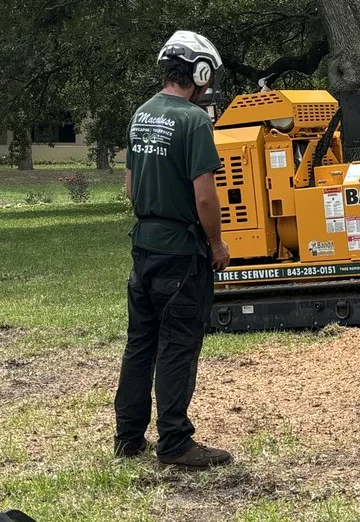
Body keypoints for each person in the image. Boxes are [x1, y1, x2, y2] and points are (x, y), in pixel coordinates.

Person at [113, 30, 233, 470]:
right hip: (182, 255)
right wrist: (216, 242)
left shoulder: (140, 115)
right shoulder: (194, 121)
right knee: (178, 345)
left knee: (140, 344)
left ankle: (128, 439)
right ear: (200, 72)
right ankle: (176, 443)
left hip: (143, 248)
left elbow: (129, 185)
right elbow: (205, 196)